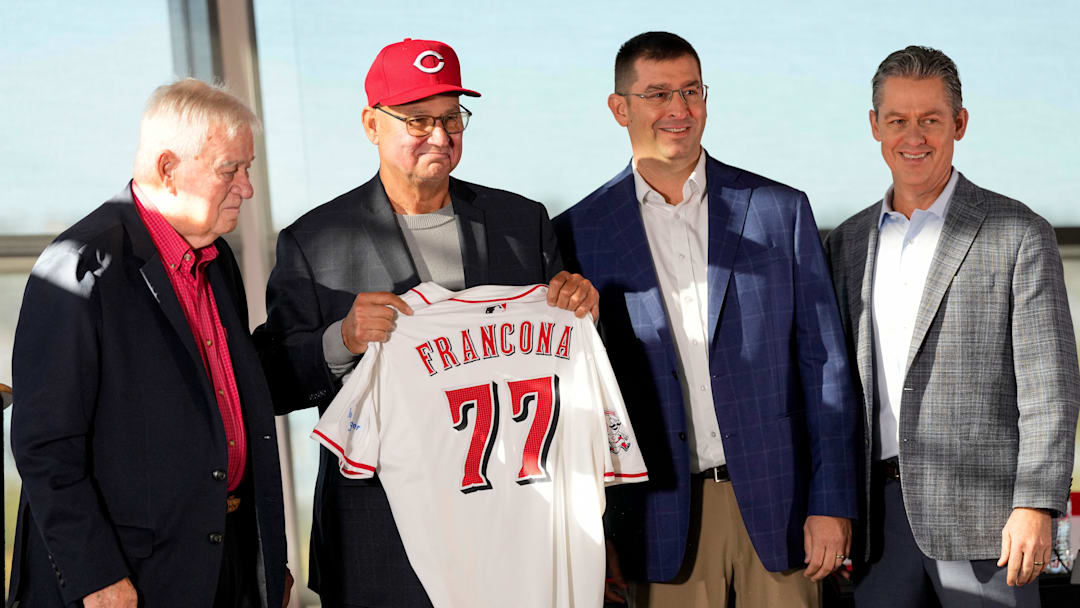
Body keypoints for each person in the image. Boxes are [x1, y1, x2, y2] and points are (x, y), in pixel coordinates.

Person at [255, 38, 598, 607]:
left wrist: (581, 308)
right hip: (381, 538)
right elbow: (268, 380)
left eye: (451, 118)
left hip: (515, 521)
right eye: (417, 120)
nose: (439, 136)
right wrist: (340, 340)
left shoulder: (522, 223)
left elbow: (565, 360)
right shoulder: (316, 241)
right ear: (372, 124)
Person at [553, 31, 858, 608]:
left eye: (691, 91)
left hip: (783, 507)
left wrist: (832, 501)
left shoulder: (779, 211)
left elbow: (826, 370)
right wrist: (595, 531)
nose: (679, 108)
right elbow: (575, 400)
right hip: (658, 518)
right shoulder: (576, 233)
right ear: (619, 108)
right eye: (658, 94)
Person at [8, 79, 290, 607]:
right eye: (230, 169)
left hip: (224, 564)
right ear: (168, 168)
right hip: (128, 581)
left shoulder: (217, 260)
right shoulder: (80, 266)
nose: (247, 188)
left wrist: (264, 561)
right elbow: (45, 446)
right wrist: (96, 578)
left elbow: (225, 409)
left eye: (248, 169)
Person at [823, 45, 1080, 607]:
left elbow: (1050, 388)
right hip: (877, 528)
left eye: (930, 120)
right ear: (875, 126)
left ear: (959, 123)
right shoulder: (846, 244)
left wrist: (1036, 504)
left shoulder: (1018, 233)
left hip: (991, 526)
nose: (913, 136)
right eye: (897, 120)